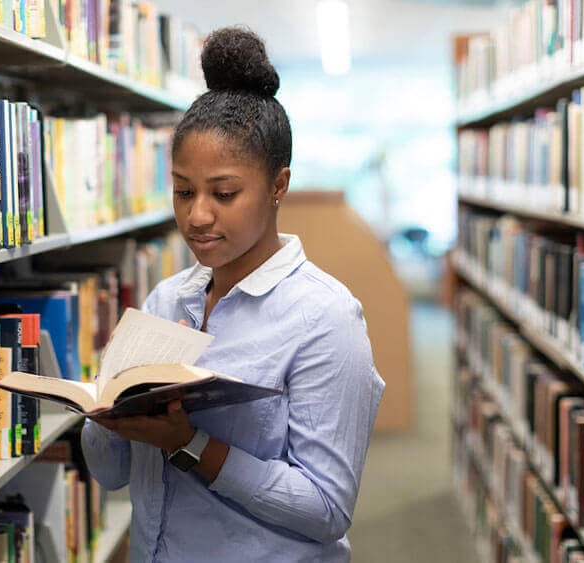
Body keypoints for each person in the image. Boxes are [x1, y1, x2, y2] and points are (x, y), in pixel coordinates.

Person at [81, 26, 386, 562]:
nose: (197, 216)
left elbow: (327, 510)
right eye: (182, 191)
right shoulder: (165, 302)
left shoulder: (326, 318)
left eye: (224, 193)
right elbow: (108, 475)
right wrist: (109, 401)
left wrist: (188, 443)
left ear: (277, 186)